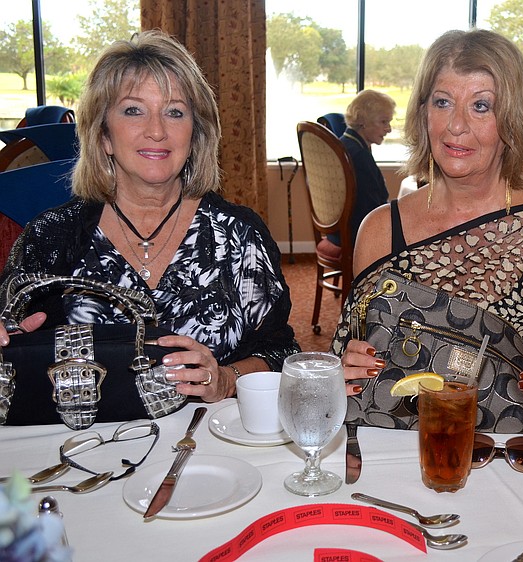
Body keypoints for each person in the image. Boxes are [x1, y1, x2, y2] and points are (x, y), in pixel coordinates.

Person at [331, 29, 523, 441]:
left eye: (481, 106)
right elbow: (351, 355)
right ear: (423, 111)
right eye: (443, 102)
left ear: (512, 121)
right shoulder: (379, 229)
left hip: (505, 456)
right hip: (388, 450)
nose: (456, 125)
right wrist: (346, 366)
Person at [0, 30, 300, 403]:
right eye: (133, 110)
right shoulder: (51, 237)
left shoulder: (240, 235)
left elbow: (280, 352)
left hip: (207, 444)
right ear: (104, 135)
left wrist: (227, 378)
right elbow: (14, 347)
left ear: (195, 135)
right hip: (86, 445)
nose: (157, 131)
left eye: (175, 112)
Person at [327, 90, 395, 247]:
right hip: (357, 233)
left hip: (338, 230)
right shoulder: (358, 156)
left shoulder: (344, 144)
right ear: (364, 121)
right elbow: (371, 209)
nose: (389, 129)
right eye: (384, 122)